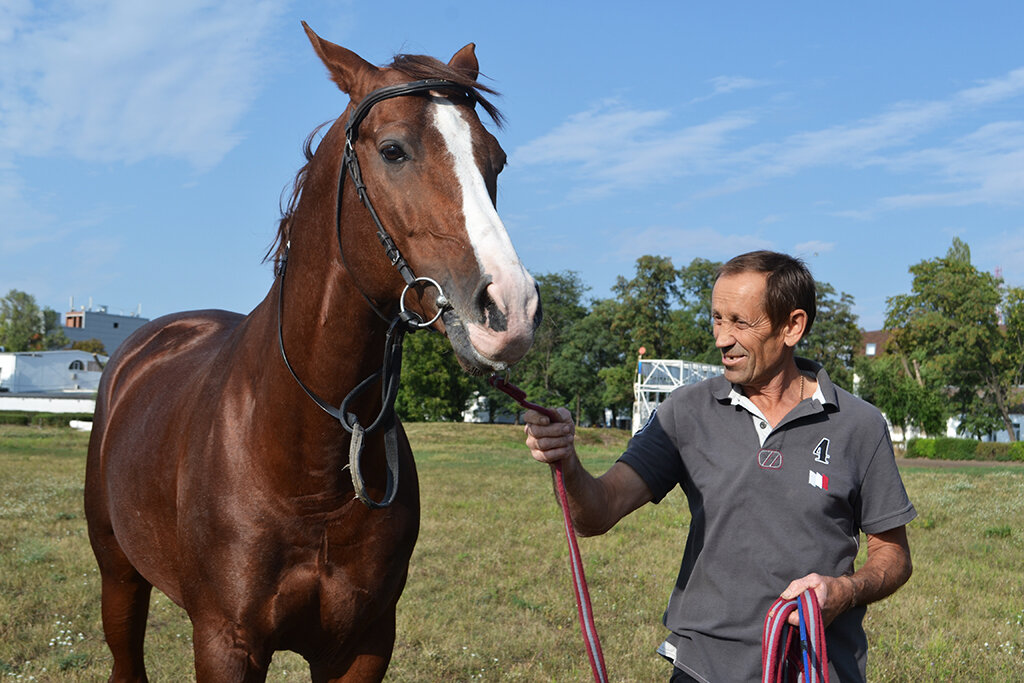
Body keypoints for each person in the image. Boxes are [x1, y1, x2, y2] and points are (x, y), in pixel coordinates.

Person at [523, 250, 914, 682]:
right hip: (702, 668)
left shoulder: (859, 425)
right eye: (716, 319)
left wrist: (846, 590)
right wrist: (567, 461)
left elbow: (892, 554)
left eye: (739, 322)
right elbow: (597, 512)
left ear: (792, 326)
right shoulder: (686, 412)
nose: (721, 339)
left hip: (815, 669)